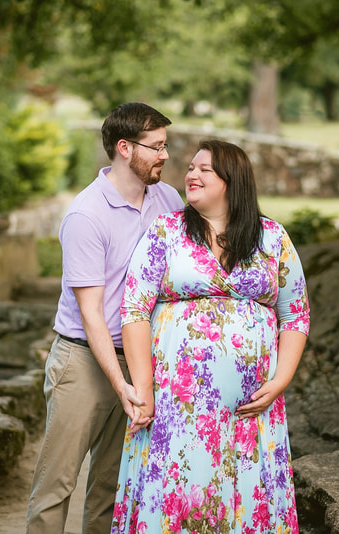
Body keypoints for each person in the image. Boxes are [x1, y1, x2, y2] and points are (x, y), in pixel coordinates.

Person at [111, 140, 310, 534]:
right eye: (190, 167)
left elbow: (295, 316)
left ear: (231, 181)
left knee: (245, 498)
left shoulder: (271, 237)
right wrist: (144, 389)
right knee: (180, 492)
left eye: (205, 169)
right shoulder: (166, 232)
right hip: (178, 404)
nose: (191, 174)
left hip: (250, 411)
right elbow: (134, 309)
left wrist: (280, 381)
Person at [26, 102, 185, 534]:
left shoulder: (168, 200)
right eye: (156, 147)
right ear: (124, 148)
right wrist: (121, 384)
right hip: (83, 362)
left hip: (140, 359)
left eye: (165, 145)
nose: (165, 156)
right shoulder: (86, 215)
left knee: (113, 489)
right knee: (56, 486)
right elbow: (91, 314)